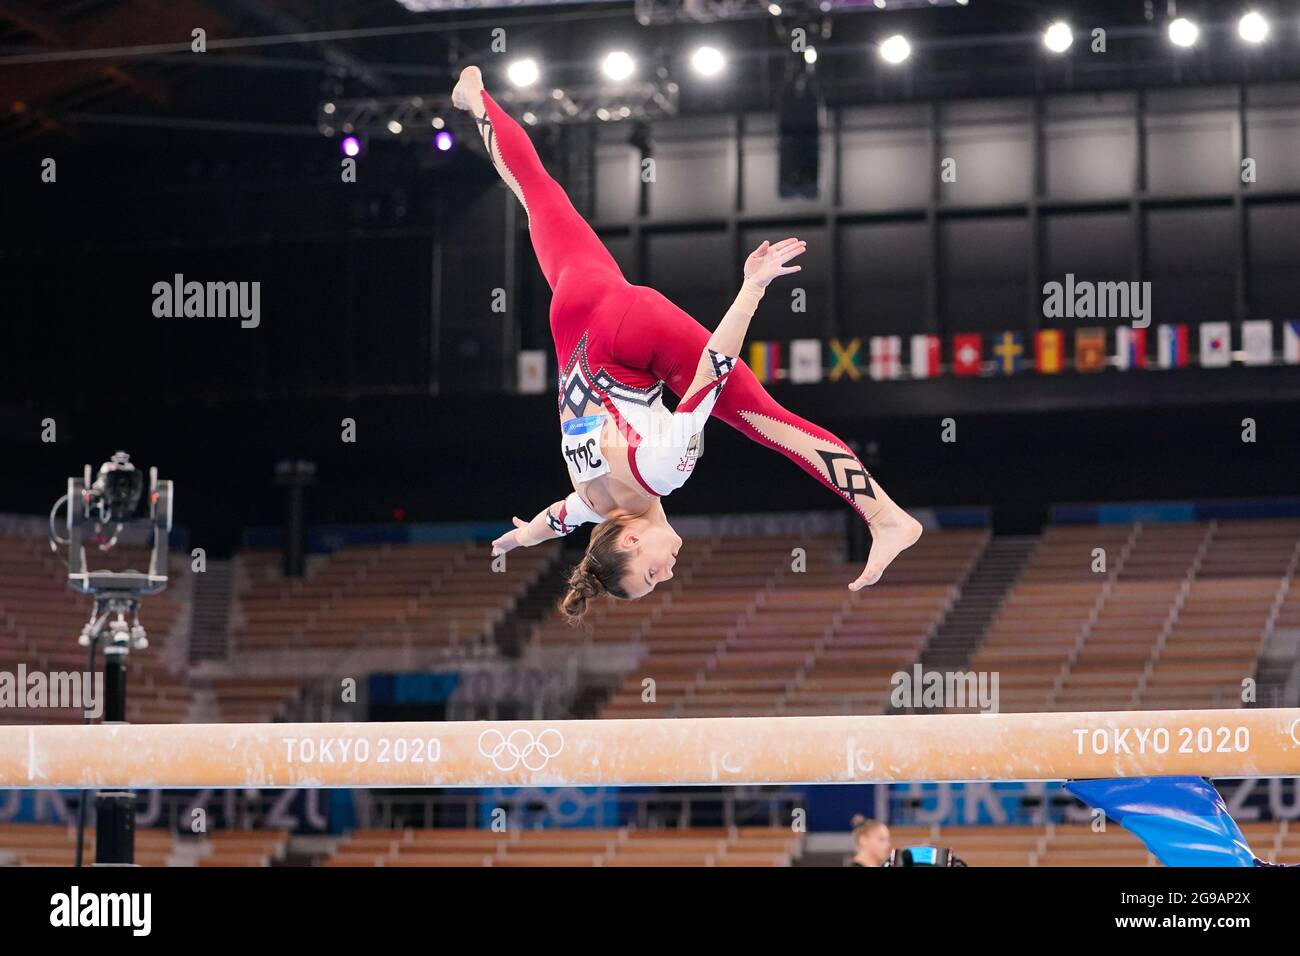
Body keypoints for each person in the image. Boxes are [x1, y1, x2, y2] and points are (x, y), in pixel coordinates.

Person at [454, 66, 922, 622]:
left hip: (630, 334)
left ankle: (887, 516)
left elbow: (711, 372)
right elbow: (557, 518)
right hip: (575, 318)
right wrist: (520, 539)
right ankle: (477, 99)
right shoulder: (594, 503)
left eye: (653, 572)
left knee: (769, 423)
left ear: (629, 542)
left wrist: (752, 288)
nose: (669, 570)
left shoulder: (662, 471)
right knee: (538, 194)